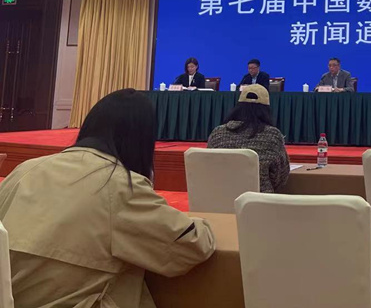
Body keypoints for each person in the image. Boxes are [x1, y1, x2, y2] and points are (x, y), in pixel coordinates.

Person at [0, 89, 215, 308]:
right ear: (140, 141)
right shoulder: (120, 185)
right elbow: (191, 245)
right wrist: (203, 223)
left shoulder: (25, 169)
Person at [207, 84, 290, 193]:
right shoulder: (272, 135)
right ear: (266, 110)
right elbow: (280, 177)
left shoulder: (217, 133)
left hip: (220, 197)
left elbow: (208, 168)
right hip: (260, 200)